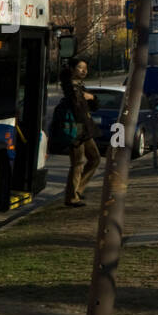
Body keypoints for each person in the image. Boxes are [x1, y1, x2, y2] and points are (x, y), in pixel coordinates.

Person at [58, 58, 99, 207]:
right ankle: (71, 197)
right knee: (77, 163)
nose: (84, 70)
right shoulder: (70, 86)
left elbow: (94, 106)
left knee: (95, 159)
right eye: (80, 67)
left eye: (85, 68)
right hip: (76, 129)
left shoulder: (81, 86)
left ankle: (77, 190)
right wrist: (84, 96)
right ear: (72, 69)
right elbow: (76, 105)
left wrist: (92, 97)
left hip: (85, 128)